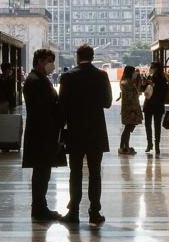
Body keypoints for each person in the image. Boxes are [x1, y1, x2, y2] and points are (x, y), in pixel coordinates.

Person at [59, 44, 112, 225]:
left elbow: (62, 106)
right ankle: (94, 212)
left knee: (75, 172)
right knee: (95, 172)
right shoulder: (101, 75)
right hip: (96, 131)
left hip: (75, 131)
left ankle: (73, 212)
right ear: (92, 56)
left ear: (77, 56)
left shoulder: (67, 77)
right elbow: (107, 103)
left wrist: (61, 131)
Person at [22, 48, 65, 222]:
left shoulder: (40, 79)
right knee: (41, 171)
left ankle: (40, 206)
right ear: (39, 61)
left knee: (43, 171)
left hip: (43, 131)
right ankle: (39, 208)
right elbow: (45, 107)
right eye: (48, 61)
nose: (51, 65)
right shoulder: (35, 81)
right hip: (41, 133)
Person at [143, 61, 168, 154]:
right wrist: (145, 83)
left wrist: (152, 84)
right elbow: (143, 89)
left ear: (157, 68)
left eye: (152, 67)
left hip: (154, 104)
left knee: (153, 125)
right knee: (151, 125)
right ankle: (151, 144)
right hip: (153, 104)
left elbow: (163, 91)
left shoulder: (161, 79)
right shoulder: (152, 77)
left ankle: (154, 145)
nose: (151, 68)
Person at [117, 65, 142, 155]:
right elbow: (131, 97)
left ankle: (124, 146)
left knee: (128, 128)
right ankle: (124, 147)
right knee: (128, 128)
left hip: (129, 109)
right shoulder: (128, 83)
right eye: (134, 71)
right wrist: (133, 111)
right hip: (131, 109)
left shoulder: (125, 82)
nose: (135, 73)